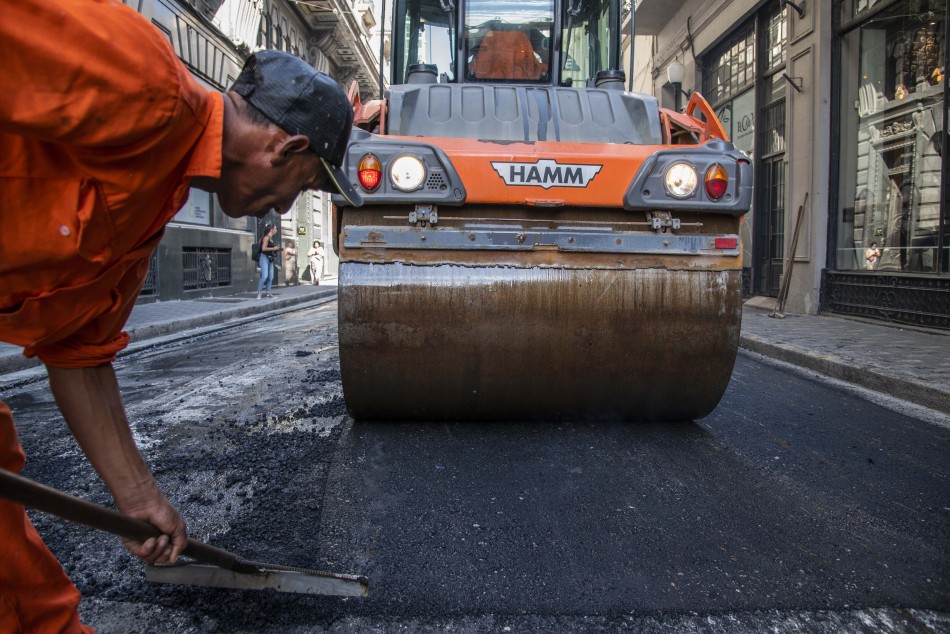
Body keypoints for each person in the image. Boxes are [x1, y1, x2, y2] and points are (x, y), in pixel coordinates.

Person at [0, 0, 363, 630]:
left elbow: (78, 350)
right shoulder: (140, 76)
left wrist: (138, 497)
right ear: (286, 146)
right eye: (304, 186)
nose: (288, 204)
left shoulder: (149, 211)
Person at [256, 223, 282, 299]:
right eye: (275, 229)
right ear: (271, 230)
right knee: (264, 276)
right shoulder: (266, 238)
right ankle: (259, 293)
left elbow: (270, 249)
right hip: (264, 258)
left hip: (270, 258)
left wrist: (277, 249)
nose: (276, 230)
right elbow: (263, 249)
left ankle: (268, 293)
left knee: (271, 276)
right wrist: (274, 248)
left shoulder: (271, 239)